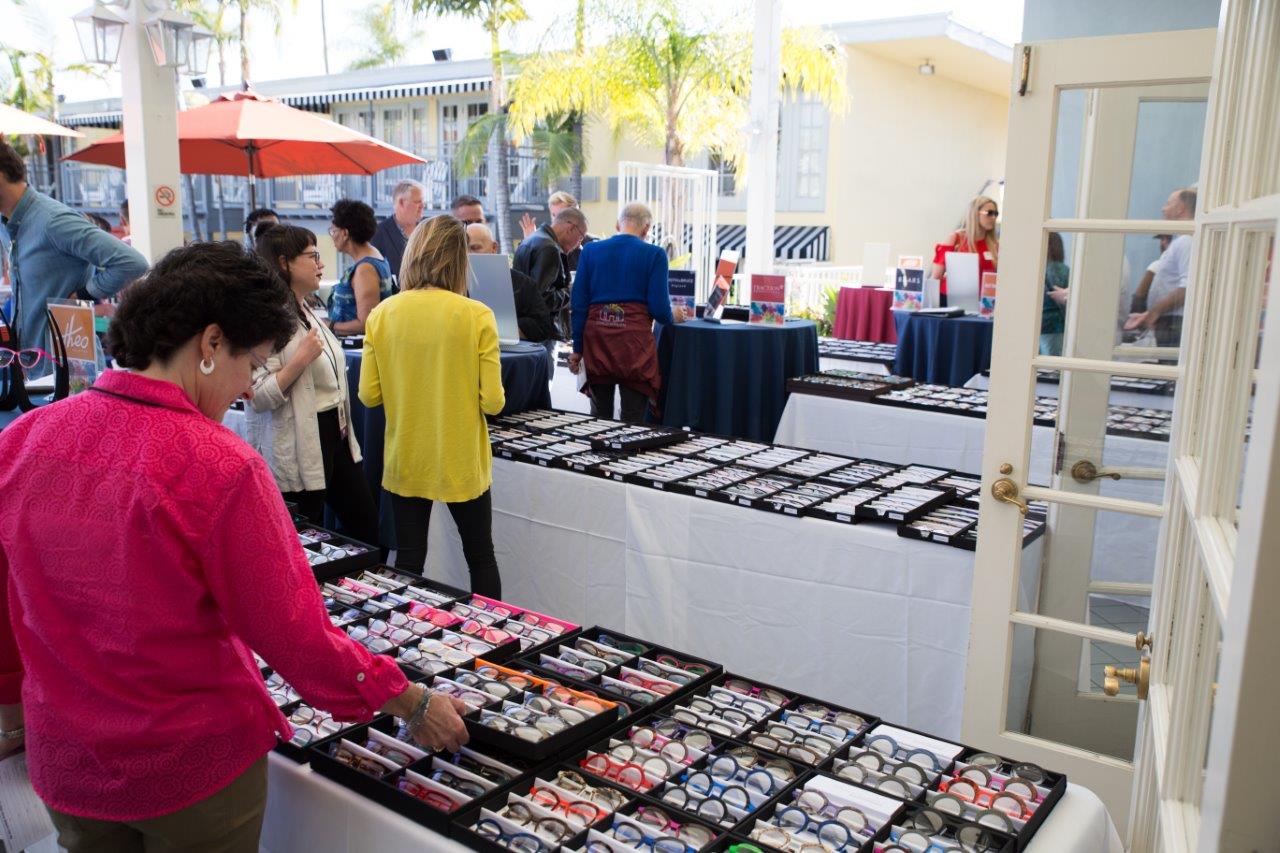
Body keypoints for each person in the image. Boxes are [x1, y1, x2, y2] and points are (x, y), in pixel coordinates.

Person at [0, 241, 467, 852]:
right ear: (212, 343)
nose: (248, 386)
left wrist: (12, 705)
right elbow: (294, 634)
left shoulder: (25, 438)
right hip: (189, 767)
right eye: (254, 361)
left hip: (68, 757)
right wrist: (410, 700)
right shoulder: (218, 464)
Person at [360, 216, 504, 597]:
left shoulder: (382, 314)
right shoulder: (477, 315)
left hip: (407, 455)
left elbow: (369, 396)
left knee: (409, 559)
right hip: (461, 459)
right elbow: (493, 402)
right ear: (459, 260)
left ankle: (410, 632)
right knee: (480, 557)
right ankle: (491, 632)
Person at [248, 224, 380, 544]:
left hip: (336, 433)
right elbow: (257, 395)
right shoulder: (266, 319)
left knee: (366, 528)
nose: (320, 264)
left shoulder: (307, 308)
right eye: (312, 256)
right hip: (302, 439)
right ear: (284, 263)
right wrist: (299, 361)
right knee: (302, 537)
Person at [0, 140, 147, 361]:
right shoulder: (8, 223)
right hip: (30, 366)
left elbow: (132, 263)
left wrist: (83, 294)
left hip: (69, 369)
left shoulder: (53, 221)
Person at [568, 202, 672, 422]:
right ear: (646, 228)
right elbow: (660, 311)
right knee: (632, 422)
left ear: (617, 224)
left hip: (597, 344)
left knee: (599, 420)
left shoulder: (591, 251)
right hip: (634, 347)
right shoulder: (655, 255)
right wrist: (674, 315)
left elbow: (578, 305)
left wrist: (578, 349)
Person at [1125, 187, 1195, 346]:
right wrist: (1149, 314)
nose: (1163, 208)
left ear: (1180, 208)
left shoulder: (1186, 241)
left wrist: (1155, 312)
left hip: (1174, 324)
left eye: (1168, 203)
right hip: (1168, 322)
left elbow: (1187, 287)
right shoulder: (1180, 241)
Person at [466, 222, 555, 344]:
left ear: (494, 248)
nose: (468, 254)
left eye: (475, 248)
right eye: (464, 249)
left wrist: (502, 329)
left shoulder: (521, 283)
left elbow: (542, 326)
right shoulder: (454, 282)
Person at [513, 206, 587, 337]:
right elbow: (543, 299)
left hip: (522, 326)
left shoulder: (530, 240)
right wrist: (570, 289)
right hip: (541, 332)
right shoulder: (549, 248)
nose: (579, 244)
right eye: (581, 237)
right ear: (571, 228)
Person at [328, 199, 394, 336]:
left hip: (358, 346)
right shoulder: (374, 255)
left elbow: (366, 324)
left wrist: (329, 325)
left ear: (345, 234)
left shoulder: (365, 269)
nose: (332, 237)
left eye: (333, 231)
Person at [929, 195, 999, 306]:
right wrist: (928, 306)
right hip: (949, 301)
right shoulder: (955, 239)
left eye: (996, 213)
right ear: (975, 214)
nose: (993, 217)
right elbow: (936, 277)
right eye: (989, 213)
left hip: (983, 303)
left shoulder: (994, 245)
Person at [519, 190, 595, 272]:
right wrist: (531, 244)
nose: (556, 220)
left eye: (561, 215)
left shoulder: (591, 244)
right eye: (553, 215)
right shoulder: (543, 243)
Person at [371, 179, 425, 279]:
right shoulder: (379, 233)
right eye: (417, 201)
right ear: (401, 202)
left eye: (422, 201)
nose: (422, 206)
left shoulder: (427, 230)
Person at [1040, 232, 1069, 356]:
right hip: (1056, 326)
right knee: (1051, 362)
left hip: (1040, 324)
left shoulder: (1038, 268)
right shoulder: (1063, 270)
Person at [1130, 234, 1173, 314]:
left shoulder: (1157, 266)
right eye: (1162, 239)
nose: (1162, 243)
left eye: (1168, 239)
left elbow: (1137, 301)